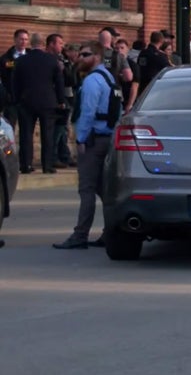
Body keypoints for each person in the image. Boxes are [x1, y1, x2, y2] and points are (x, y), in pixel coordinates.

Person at [53, 41, 120, 250]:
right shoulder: (109, 78)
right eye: (80, 54)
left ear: (97, 57)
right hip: (108, 138)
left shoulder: (92, 80)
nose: (80, 58)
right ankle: (111, 232)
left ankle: (80, 235)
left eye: (85, 54)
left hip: (93, 140)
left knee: (87, 189)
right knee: (103, 189)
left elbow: (88, 112)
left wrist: (81, 139)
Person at [13, 33, 66, 174]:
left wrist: (17, 99)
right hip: (47, 101)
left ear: (31, 43)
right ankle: (47, 165)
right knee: (47, 134)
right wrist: (61, 100)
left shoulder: (21, 60)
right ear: (43, 44)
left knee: (26, 134)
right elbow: (59, 82)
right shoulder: (52, 60)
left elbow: (15, 83)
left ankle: (26, 164)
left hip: (26, 101)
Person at [0, 29, 30, 127]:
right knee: (9, 127)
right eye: (21, 39)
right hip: (11, 100)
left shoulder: (31, 55)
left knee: (26, 128)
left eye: (26, 39)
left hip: (27, 99)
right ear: (15, 39)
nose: (23, 42)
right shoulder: (5, 58)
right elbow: (6, 68)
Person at [114, 39, 140, 113]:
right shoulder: (113, 65)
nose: (119, 50)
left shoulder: (133, 65)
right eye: (117, 48)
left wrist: (130, 104)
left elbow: (135, 86)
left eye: (122, 48)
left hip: (128, 100)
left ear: (127, 49)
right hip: (117, 100)